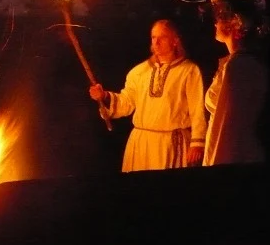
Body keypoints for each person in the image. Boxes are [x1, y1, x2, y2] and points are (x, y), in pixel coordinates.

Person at [89, 19, 207, 172]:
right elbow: (127, 102)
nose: (156, 42)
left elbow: (197, 110)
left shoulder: (189, 71)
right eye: (153, 37)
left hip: (171, 144)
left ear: (175, 41)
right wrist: (104, 96)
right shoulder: (139, 72)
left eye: (162, 37)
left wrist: (197, 143)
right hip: (141, 144)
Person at [203, 0, 268, 166]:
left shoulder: (240, 67)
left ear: (234, 24)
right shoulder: (235, 63)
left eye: (221, 17)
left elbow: (228, 126)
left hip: (235, 156)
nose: (215, 23)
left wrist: (218, 169)